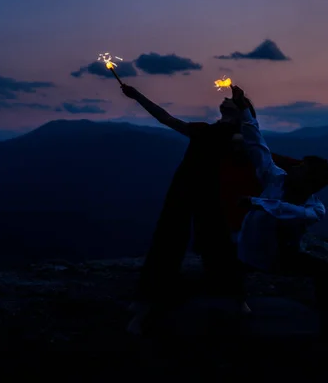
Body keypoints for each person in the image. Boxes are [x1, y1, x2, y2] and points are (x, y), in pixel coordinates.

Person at [120, 84, 301, 335]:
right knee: (168, 242)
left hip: (213, 192)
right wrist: (137, 95)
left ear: (241, 112)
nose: (225, 99)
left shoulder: (242, 136)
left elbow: (263, 153)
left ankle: (236, 299)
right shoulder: (205, 130)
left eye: (232, 100)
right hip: (184, 188)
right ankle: (147, 301)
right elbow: (166, 118)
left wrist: (298, 168)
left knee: (218, 245)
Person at [231, 85, 328, 338]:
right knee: (227, 259)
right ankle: (237, 303)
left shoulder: (314, 208)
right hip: (251, 249)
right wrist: (244, 109)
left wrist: (255, 202)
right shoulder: (276, 178)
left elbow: (288, 211)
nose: (294, 167)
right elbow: (257, 145)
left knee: (323, 272)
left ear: (308, 181)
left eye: (301, 168)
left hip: (281, 257)